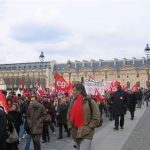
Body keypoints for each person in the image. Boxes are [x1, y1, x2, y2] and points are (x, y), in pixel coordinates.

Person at [67, 83, 100, 150]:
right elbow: (69, 115)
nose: (72, 92)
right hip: (75, 133)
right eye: (72, 90)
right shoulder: (73, 102)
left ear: (80, 91)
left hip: (86, 133)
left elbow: (96, 117)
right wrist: (70, 127)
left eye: (74, 90)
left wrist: (89, 127)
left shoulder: (90, 101)